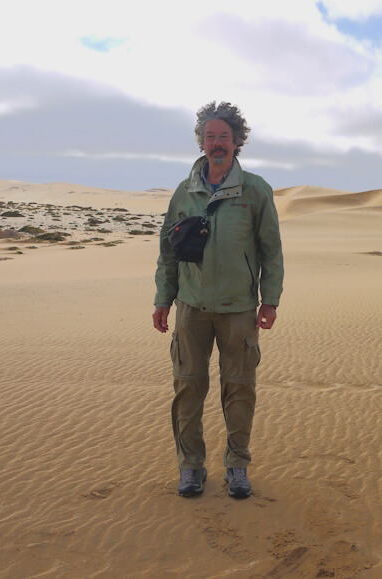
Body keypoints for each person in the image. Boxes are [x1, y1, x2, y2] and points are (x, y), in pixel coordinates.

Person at [152, 101, 283, 498]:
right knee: (188, 387)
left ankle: (237, 466)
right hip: (190, 310)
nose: (217, 144)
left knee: (240, 388)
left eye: (224, 136)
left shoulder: (255, 190)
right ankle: (191, 467)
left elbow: (270, 251)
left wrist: (270, 300)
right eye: (210, 136)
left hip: (239, 310)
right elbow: (168, 250)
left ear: (237, 141)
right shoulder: (184, 191)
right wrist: (163, 298)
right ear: (201, 141)